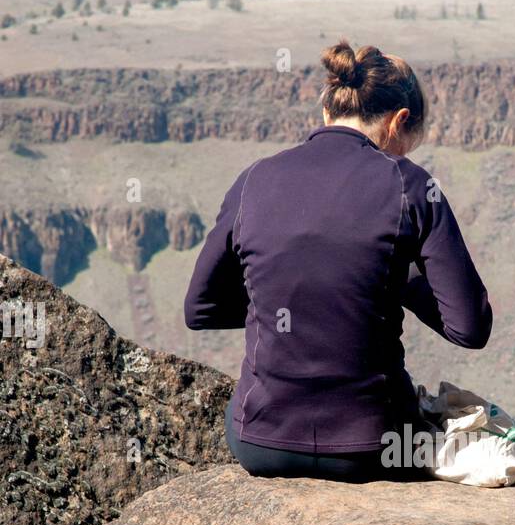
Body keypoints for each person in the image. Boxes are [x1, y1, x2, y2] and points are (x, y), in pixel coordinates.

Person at [184, 40, 492, 480]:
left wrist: (281, 306)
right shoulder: (413, 185)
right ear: (399, 121)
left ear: (327, 111)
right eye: (408, 141)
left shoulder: (253, 179)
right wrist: (394, 279)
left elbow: (200, 309)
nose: (404, 154)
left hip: (261, 444)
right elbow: (470, 327)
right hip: (378, 447)